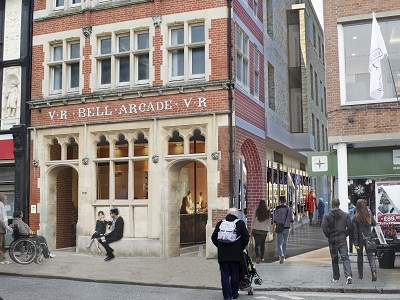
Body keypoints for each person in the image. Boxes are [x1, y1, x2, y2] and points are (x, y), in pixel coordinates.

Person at [212, 208, 249, 300]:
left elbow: (214, 237)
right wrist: (241, 247)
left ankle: (227, 296)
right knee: (234, 274)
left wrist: (220, 246)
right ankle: (234, 293)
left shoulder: (220, 223)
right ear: (236, 214)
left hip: (223, 255)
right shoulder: (240, 223)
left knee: (224, 275)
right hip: (236, 254)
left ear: (227, 214)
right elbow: (246, 237)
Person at [321, 198, 353, 284]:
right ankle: (348, 275)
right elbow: (350, 227)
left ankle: (336, 277)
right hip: (342, 238)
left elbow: (324, 227)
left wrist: (329, 235)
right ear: (339, 204)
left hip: (332, 239)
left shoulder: (327, 216)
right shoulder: (345, 215)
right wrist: (345, 234)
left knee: (334, 258)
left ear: (332, 204)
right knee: (345, 257)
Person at [353, 199, 377, 281]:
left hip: (360, 239)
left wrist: (355, 242)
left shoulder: (356, 217)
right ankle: (373, 272)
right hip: (369, 238)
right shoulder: (369, 214)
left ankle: (360, 275)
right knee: (370, 256)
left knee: (360, 257)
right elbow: (374, 223)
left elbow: (355, 231)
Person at [273, 196, 294, 264]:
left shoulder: (277, 209)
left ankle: (281, 254)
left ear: (280, 201)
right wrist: (292, 228)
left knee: (279, 243)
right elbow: (291, 219)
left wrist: (273, 228)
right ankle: (283, 256)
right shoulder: (289, 209)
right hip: (287, 227)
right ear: (285, 201)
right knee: (285, 243)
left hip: (279, 227)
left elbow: (275, 220)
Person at [251, 199, 271, 264]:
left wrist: (251, 229)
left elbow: (253, 220)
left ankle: (257, 257)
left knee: (257, 244)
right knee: (262, 244)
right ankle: (261, 257)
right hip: (264, 231)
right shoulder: (267, 212)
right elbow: (269, 222)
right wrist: (271, 229)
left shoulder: (256, 211)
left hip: (256, 230)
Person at [0, 194, 13, 264]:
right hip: (1, 228)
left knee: (2, 246)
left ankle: (3, 259)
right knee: (0, 245)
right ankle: (2, 259)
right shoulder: (0, 205)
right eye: (6, 199)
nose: (7, 200)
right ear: (2, 199)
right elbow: (1, 219)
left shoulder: (2, 206)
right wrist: (6, 227)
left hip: (2, 229)